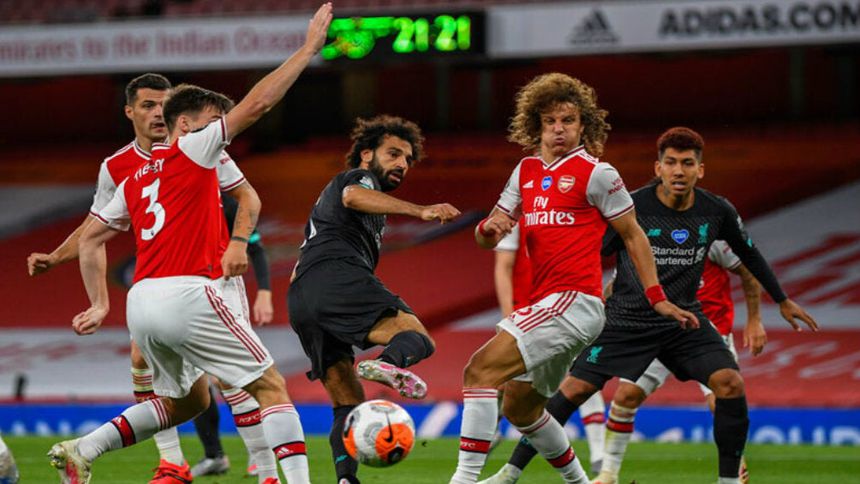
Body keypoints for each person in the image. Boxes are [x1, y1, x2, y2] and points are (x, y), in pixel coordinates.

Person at [47, 4, 332, 484]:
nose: (221, 130)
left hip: (142, 303)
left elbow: (91, 237)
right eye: (214, 121)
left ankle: (85, 447)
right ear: (185, 125)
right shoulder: (195, 149)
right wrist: (306, 51)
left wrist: (98, 302)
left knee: (188, 401)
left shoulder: (133, 177)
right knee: (269, 385)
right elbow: (258, 105)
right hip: (189, 292)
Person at [482, 126, 818, 484]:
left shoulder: (716, 210)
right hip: (626, 317)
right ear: (658, 168)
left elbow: (749, 254)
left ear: (700, 170)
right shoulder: (633, 206)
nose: (678, 171)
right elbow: (592, 250)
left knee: (730, 383)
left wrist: (781, 300)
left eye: (687, 163)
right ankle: (509, 473)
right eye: (670, 163)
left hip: (683, 319)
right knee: (575, 390)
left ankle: (729, 481)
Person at [26, 72, 278, 484]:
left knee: (231, 377)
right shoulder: (116, 167)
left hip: (213, 278)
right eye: (148, 105)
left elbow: (247, 195)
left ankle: (261, 466)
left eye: (164, 104)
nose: (159, 112)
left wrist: (238, 243)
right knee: (145, 362)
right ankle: (172, 463)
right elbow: (95, 227)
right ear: (130, 112)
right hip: (160, 282)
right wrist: (56, 258)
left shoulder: (200, 145)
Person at [450, 73, 696, 484]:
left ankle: (463, 480)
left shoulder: (598, 173)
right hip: (546, 303)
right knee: (520, 408)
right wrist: (487, 230)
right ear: (537, 125)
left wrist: (656, 296)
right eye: (550, 121)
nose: (559, 129)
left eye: (568, 120)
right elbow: (489, 232)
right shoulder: (525, 170)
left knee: (479, 371)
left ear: (584, 125)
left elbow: (634, 235)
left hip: (575, 301)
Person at [287, 114, 461, 484]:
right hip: (336, 276)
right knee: (417, 338)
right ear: (367, 154)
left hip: (302, 296)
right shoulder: (357, 178)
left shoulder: (335, 208)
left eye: (407, 159)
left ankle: (346, 480)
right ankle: (386, 363)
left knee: (346, 402)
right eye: (393, 154)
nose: (402, 164)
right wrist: (421, 210)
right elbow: (353, 195)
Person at [592, 240, 765, 484]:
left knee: (722, 397)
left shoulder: (710, 234)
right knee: (626, 396)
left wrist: (754, 320)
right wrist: (598, 311)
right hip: (656, 330)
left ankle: (735, 468)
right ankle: (608, 475)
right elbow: (618, 285)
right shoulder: (639, 238)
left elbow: (749, 271)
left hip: (706, 334)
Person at [494, 223, 607, 473]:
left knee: (583, 377)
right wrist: (508, 315)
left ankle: (600, 458)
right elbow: (503, 265)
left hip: (570, 310)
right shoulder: (517, 217)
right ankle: (491, 429)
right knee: (507, 385)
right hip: (529, 313)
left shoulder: (577, 217)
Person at [191, 194, 276, 479]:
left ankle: (259, 451)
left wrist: (264, 293)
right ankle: (213, 455)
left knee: (228, 375)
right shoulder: (175, 200)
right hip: (186, 291)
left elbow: (256, 248)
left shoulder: (227, 205)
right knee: (194, 379)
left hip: (224, 288)